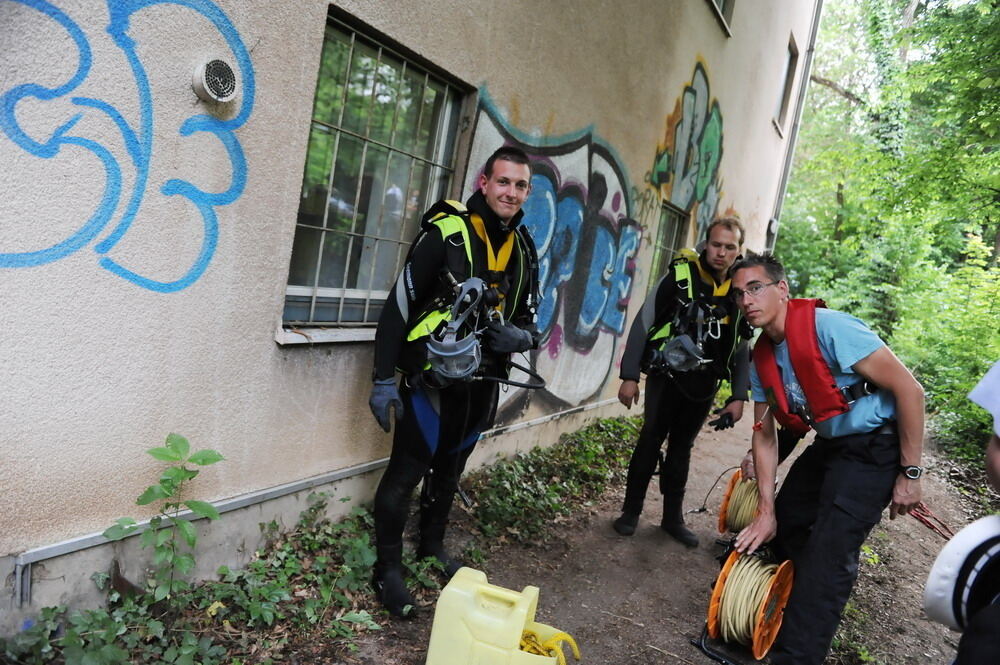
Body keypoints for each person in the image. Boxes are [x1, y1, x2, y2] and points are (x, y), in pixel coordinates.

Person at [367, 146, 541, 618]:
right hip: (431, 380)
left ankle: (431, 547)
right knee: (406, 474)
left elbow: (532, 319)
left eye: (520, 185)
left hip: (483, 382)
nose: (510, 192)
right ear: (484, 182)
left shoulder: (524, 248)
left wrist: (520, 335)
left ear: (528, 191)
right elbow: (398, 307)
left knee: (450, 469)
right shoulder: (447, 233)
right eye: (502, 182)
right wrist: (384, 379)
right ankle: (387, 571)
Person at [731, 253, 924, 665]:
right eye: (738, 294)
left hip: (876, 446)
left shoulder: (831, 328)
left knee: (829, 553)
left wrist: (910, 472)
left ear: (782, 290)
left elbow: (911, 391)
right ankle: (786, 608)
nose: (746, 300)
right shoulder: (760, 356)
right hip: (832, 444)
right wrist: (765, 511)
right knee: (788, 519)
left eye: (755, 288)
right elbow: (764, 436)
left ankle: (797, 655)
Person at [613, 218, 751, 546]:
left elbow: (743, 345)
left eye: (730, 247)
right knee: (650, 439)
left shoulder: (740, 290)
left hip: (704, 385)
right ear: (706, 244)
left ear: (738, 251)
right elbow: (643, 321)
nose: (721, 253)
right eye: (716, 245)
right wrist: (630, 376)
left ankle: (671, 519)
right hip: (667, 377)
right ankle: (630, 512)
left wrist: (738, 395)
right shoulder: (680, 276)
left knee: (682, 448)